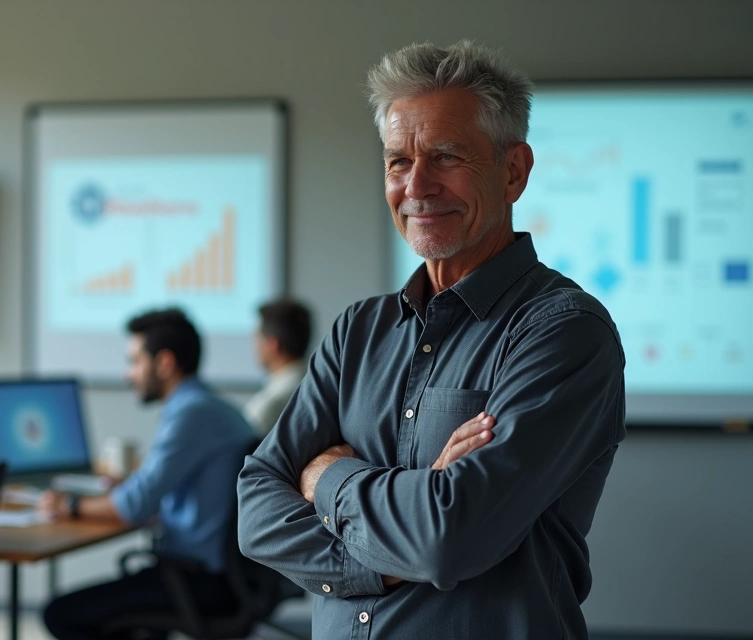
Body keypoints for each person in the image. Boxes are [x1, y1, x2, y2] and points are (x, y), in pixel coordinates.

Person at [237, 40, 626, 639]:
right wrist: (398, 543)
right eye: (398, 161)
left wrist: (326, 478)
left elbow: (448, 541)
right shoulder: (358, 331)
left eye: (445, 157)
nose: (417, 185)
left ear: (514, 171)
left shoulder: (565, 331)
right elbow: (256, 510)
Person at [40, 308, 254, 640]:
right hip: (222, 576)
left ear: (165, 363)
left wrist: (69, 505)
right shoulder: (216, 408)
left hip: (198, 580)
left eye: (135, 362)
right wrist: (130, 489)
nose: (129, 375)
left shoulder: (191, 414)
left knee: (60, 614)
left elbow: (135, 505)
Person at [244, 298, 312, 435]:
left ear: (272, 345)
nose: (254, 346)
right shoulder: (321, 386)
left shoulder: (267, 406)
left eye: (257, 338)